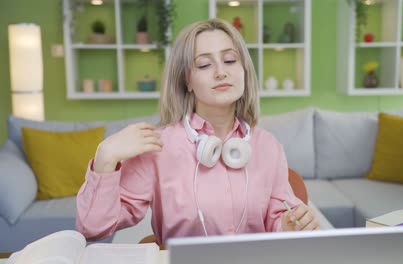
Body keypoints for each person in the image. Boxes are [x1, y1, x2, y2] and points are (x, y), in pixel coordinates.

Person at [76, 18, 320, 247]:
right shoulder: (158, 147)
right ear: (187, 81)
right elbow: (93, 229)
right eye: (204, 64)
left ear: (244, 70)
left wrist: (288, 226)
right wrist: (105, 156)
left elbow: (279, 220)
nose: (220, 72)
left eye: (230, 60)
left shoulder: (268, 146)